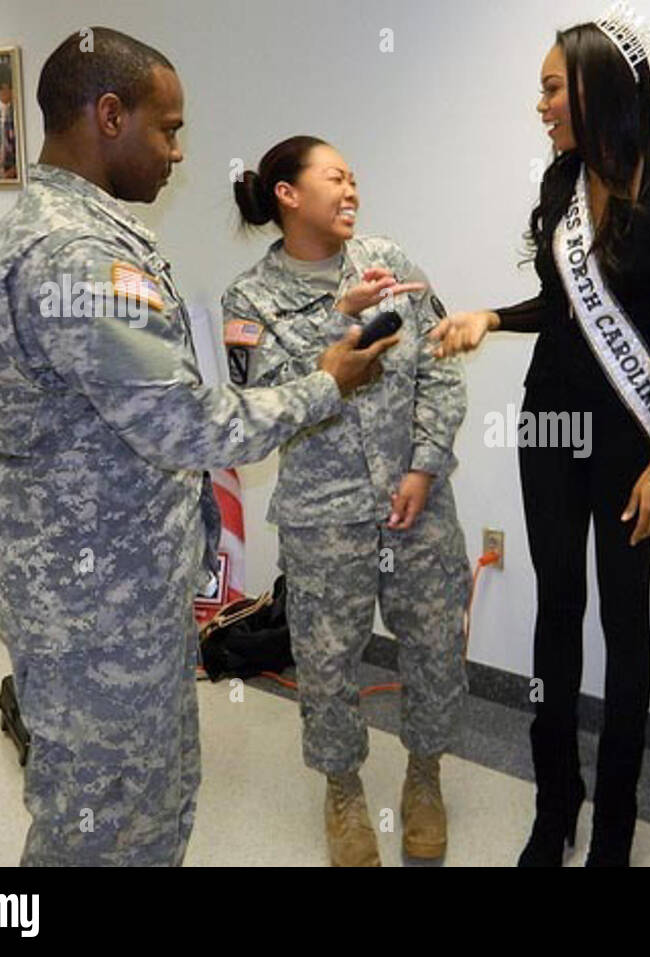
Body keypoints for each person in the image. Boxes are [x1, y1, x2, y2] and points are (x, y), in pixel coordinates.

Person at [0, 28, 396, 867]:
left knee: (154, 801)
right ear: (108, 115)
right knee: (93, 822)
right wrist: (326, 384)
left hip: (129, 586)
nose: (177, 151)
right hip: (87, 602)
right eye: (167, 129)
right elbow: (185, 424)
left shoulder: (93, 229)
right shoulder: (78, 250)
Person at [431, 8, 650, 866]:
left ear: (595, 88)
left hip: (633, 436)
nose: (542, 105)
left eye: (552, 87)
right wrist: (490, 315)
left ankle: (615, 827)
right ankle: (555, 805)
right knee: (557, 612)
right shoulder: (559, 183)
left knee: (626, 625)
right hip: (548, 419)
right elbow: (561, 310)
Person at [222, 136, 471, 867]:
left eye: (355, 176)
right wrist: (338, 319)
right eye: (335, 176)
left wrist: (425, 466)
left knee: (431, 650)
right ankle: (343, 789)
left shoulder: (391, 265)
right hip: (322, 514)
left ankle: (425, 776)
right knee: (327, 664)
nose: (351, 188)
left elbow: (441, 369)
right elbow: (264, 403)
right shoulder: (251, 299)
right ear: (288, 196)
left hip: (416, 504)